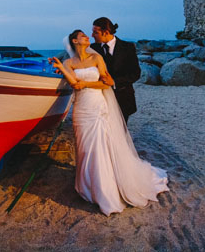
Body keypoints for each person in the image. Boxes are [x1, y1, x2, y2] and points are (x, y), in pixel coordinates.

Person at [48, 30, 169, 216]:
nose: (87, 37)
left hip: (97, 105)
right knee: (85, 146)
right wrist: (62, 68)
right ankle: (88, 186)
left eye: (88, 35)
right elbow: (74, 83)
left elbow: (106, 83)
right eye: (82, 35)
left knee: (101, 146)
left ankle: (105, 189)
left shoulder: (96, 58)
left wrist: (87, 84)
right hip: (81, 108)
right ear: (74, 40)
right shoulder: (68, 62)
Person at [91, 17, 141, 124]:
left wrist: (114, 82)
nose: (92, 35)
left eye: (95, 32)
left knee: (121, 132)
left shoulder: (128, 47)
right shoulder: (93, 48)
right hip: (100, 99)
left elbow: (135, 74)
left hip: (123, 98)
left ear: (106, 32)